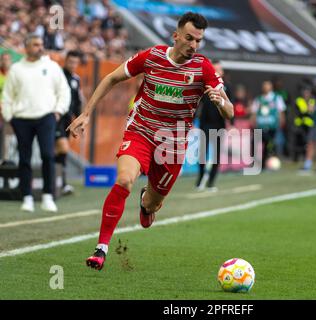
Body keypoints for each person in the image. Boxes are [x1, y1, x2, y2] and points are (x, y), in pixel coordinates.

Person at [67, 12, 234, 270]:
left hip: (172, 145)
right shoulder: (152, 57)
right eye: (189, 38)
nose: (193, 45)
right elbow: (112, 78)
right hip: (141, 131)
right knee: (124, 180)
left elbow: (230, 111)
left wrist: (220, 100)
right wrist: (86, 113)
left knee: (152, 204)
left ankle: (147, 203)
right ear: (175, 36)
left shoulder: (203, 68)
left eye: (198, 40)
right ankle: (101, 248)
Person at [1, 34, 71, 212]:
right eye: (35, 44)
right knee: (24, 158)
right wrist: (10, 116)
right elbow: (7, 96)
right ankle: (27, 197)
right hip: (21, 119)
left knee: (48, 155)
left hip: (46, 117)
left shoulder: (52, 66)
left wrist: (58, 111)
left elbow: (64, 91)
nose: (40, 47)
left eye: (41, 44)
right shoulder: (17, 69)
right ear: (27, 47)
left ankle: (48, 195)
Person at [195, 59, 233, 192]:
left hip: (219, 124)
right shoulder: (205, 85)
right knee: (202, 154)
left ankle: (211, 182)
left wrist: (231, 124)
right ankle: (200, 179)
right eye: (215, 69)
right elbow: (197, 103)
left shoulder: (227, 87)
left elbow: (230, 105)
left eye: (219, 69)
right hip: (205, 123)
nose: (217, 71)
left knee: (216, 154)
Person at [55, 50, 84, 195]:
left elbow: (78, 102)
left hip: (67, 120)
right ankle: (57, 180)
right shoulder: (58, 75)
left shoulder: (76, 79)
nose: (73, 65)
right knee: (62, 148)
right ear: (65, 61)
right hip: (56, 118)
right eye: (70, 62)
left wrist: (79, 120)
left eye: (75, 62)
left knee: (60, 152)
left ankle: (60, 182)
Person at [251, 80, 286, 170]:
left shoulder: (276, 98)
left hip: (272, 126)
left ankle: (264, 164)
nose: (265, 87)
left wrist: (281, 122)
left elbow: (281, 111)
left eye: (267, 85)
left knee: (268, 145)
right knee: (255, 144)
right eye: (264, 85)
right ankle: (255, 163)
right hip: (260, 126)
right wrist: (253, 123)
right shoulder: (258, 99)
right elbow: (254, 112)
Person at [293, 85, 315, 163]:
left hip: (309, 125)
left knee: (308, 142)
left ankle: (306, 158)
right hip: (300, 124)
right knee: (299, 142)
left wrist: (310, 110)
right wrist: (308, 110)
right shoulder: (299, 100)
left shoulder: (312, 100)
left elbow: (313, 111)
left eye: (307, 92)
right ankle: (297, 158)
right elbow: (301, 111)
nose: (306, 94)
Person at [0, 52, 12, 160]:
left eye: (7, 59)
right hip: (0, 112)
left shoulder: (14, 76)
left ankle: (6, 160)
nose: (5, 61)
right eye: (3, 59)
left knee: (8, 139)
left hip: (10, 112)